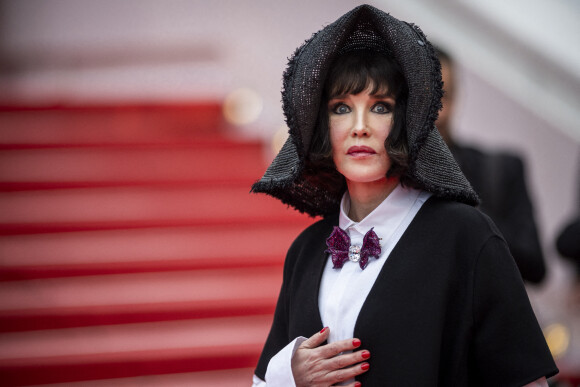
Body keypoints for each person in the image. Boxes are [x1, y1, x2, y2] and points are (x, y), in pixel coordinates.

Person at [251, 5, 558, 386]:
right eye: (342, 108)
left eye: (380, 107)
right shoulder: (306, 250)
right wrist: (290, 375)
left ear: (407, 123)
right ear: (321, 127)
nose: (360, 127)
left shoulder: (467, 236)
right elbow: (262, 380)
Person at [434, 47, 547, 284]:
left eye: (446, 96)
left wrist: (468, 208)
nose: (438, 113)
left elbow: (535, 266)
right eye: (425, 98)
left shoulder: (500, 169)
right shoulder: (383, 178)